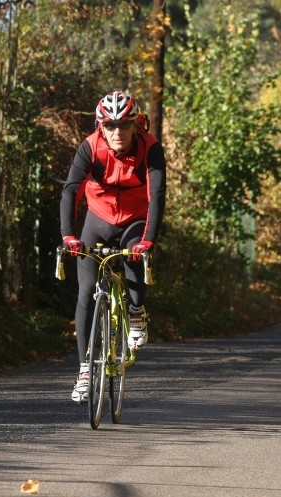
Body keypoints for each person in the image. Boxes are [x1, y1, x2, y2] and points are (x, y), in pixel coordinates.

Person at [60, 90, 167, 403]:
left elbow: (157, 196)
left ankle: (136, 312)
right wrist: (69, 235)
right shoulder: (90, 148)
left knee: (135, 253)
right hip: (98, 220)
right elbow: (70, 192)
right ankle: (83, 370)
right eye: (111, 126)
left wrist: (149, 240)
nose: (117, 132)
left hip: (135, 220)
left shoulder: (150, 149)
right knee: (85, 291)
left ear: (136, 125)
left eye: (124, 125)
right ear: (100, 126)